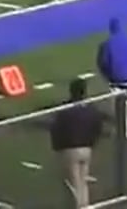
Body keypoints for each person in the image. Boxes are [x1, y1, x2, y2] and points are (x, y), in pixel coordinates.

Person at [49, 78, 105, 207]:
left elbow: (56, 129)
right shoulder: (91, 109)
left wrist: (56, 147)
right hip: (86, 149)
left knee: (73, 183)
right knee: (83, 182)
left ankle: (76, 206)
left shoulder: (65, 110)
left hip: (70, 149)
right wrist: (92, 143)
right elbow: (98, 127)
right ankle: (85, 205)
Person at [94, 18, 127, 137]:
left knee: (116, 108)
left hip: (114, 80)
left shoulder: (107, 44)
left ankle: (121, 131)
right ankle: (124, 130)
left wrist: (107, 76)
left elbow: (103, 62)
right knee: (126, 105)